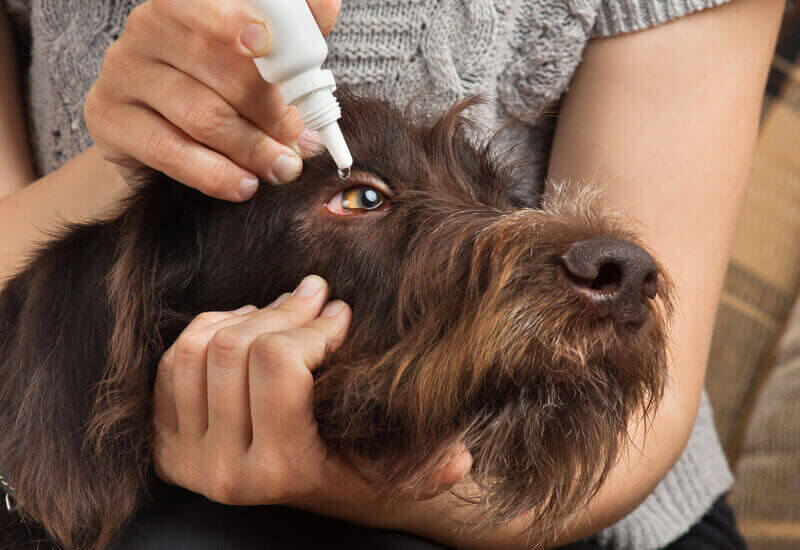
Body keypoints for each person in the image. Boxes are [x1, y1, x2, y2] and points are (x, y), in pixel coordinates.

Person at [0, 0, 784, 547]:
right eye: (364, 196)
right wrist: (133, 159)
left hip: (575, 520)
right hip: (94, 450)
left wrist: (337, 478)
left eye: (502, 198)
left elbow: (636, 437)